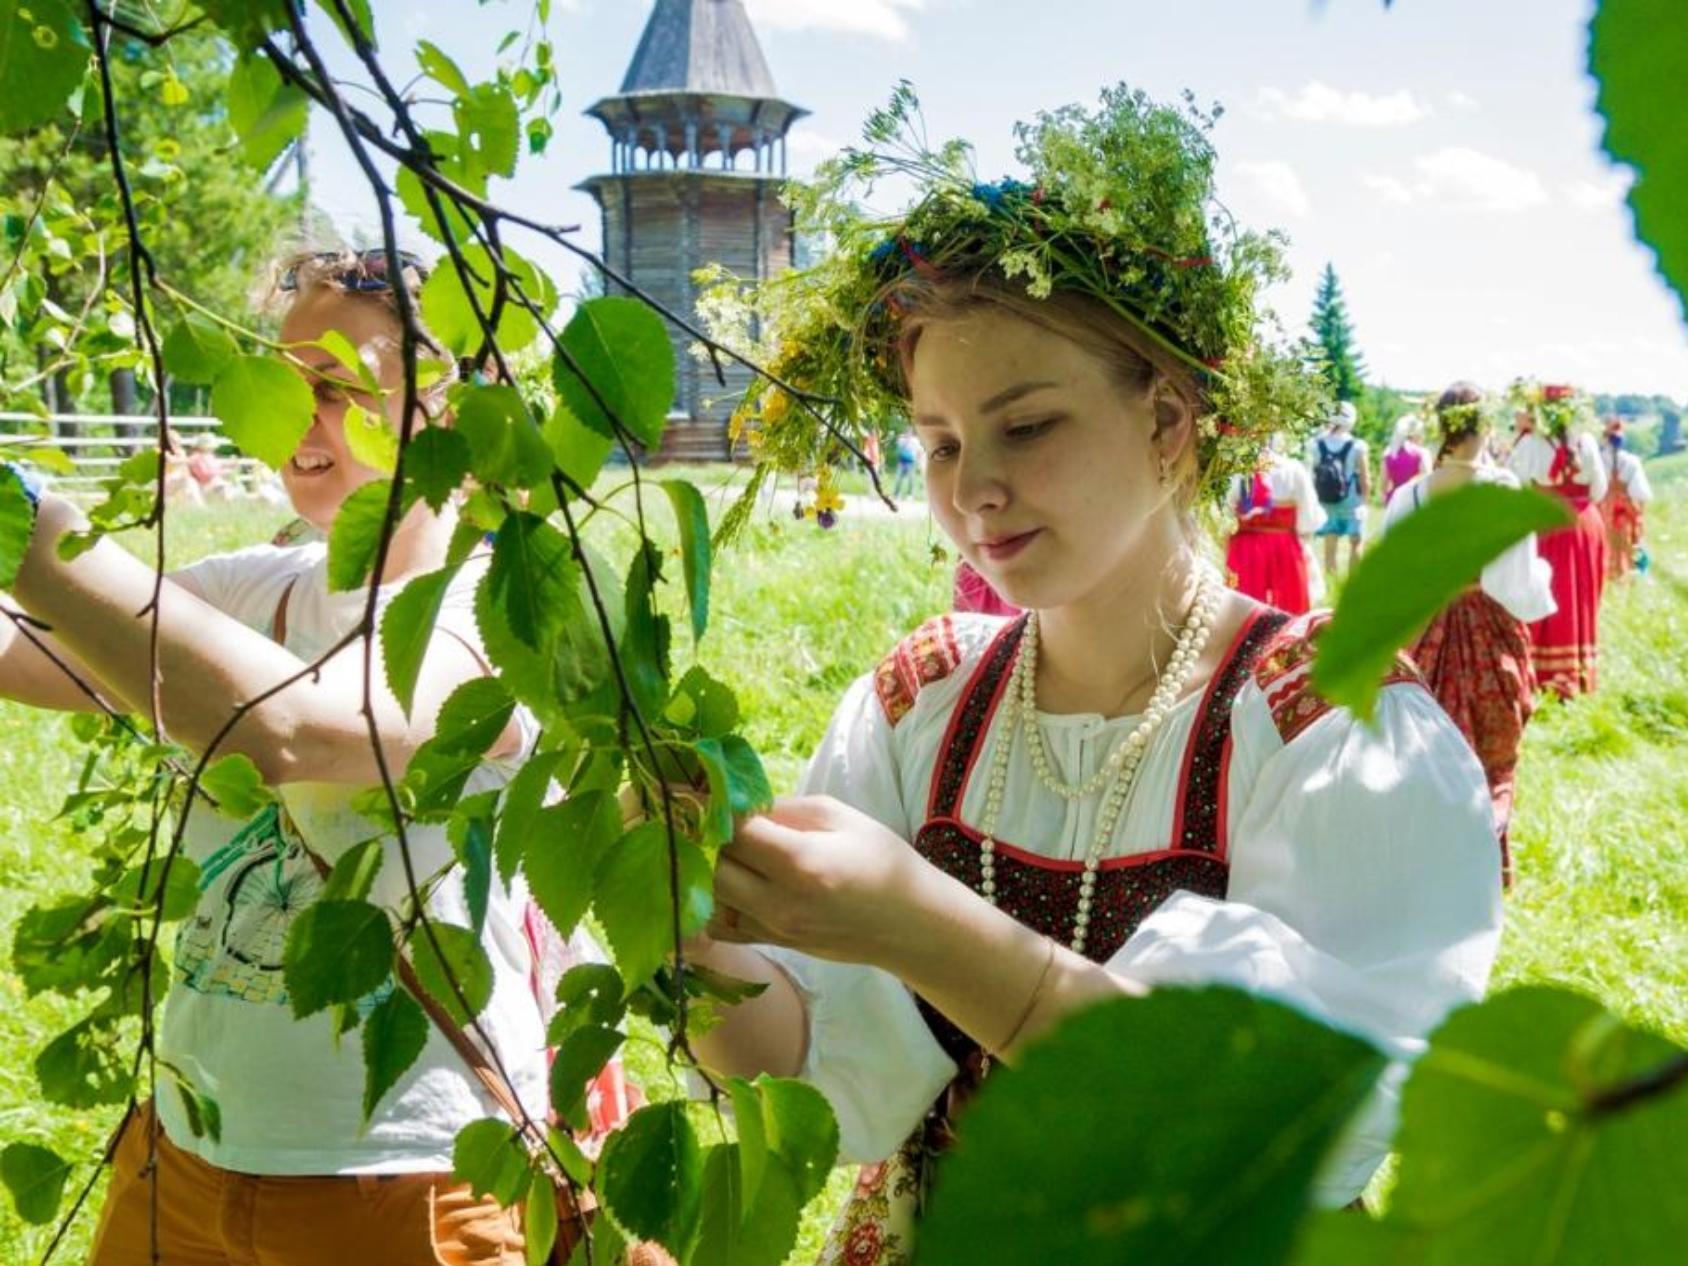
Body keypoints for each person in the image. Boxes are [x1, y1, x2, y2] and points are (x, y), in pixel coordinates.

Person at [688, 87, 1501, 1262]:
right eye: (940, 443)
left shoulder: (1325, 722)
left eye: (1026, 427)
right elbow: (805, 1063)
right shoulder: (922, 703)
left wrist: (917, 924)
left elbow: (1263, 1121)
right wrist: (687, 936)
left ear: (1168, 422)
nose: (972, 490)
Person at [0, 248, 551, 1265]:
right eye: (282, 379)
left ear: (453, 412)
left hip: (402, 1177)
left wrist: (27, 521)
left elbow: (291, 729)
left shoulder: (493, 610)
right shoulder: (258, 589)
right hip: (185, 1151)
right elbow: (25, 650)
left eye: (339, 388)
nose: (299, 420)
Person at [1381, 383, 1555, 884]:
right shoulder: (1501, 490)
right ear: (1484, 424)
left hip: (1423, 630)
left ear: (1443, 427)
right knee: (1490, 751)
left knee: (1424, 749)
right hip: (1488, 630)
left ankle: (1423, 865)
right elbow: (1516, 586)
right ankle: (1478, 864)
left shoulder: (1409, 495)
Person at [1507, 382, 1609, 696]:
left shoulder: (1529, 444)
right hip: (1584, 525)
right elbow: (1599, 490)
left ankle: (1542, 672)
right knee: (1578, 596)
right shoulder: (1587, 441)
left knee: (1545, 592)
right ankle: (1574, 673)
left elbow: (1512, 484)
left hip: (1546, 524)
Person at [1223, 434, 1325, 614]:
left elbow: (1226, 515)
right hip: (1283, 545)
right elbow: (1308, 519)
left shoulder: (1237, 472)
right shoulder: (1294, 470)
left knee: (1244, 605)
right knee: (1288, 606)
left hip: (1246, 547)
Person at [1308, 401, 1370, 577]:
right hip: (1351, 501)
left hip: (1326, 500)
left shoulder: (1316, 443)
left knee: (1330, 542)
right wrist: (1365, 503)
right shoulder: (1358, 445)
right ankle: (1352, 586)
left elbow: (1312, 472)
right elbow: (1366, 478)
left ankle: (1331, 582)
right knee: (1356, 543)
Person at [1600, 416, 1653, 580]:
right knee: (1628, 537)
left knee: (1605, 537)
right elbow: (1640, 492)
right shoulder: (1632, 461)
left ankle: (1607, 571)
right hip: (1625, 506)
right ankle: (1628, 571)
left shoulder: (1599, 459)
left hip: (1604, 504)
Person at [1381, 413, 1430, 502]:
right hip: (1414, 500)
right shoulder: (1422, 453)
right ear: (1417, 434)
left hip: (1394, 499)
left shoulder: (1389, 453)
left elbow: (1384, 482)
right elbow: (1427, 478)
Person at [892, 428, 922, 499]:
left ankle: (910, 494)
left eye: (910, 432)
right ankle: (896, 494)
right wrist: (906, 440)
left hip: (911, 462)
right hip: (902, 461)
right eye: (907, 432)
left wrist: (918, 462)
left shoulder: (915, 441)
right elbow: (899, 448)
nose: (909, 433)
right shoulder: (902, 439)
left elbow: (919, 451)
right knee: (899, 478)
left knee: (911, 479)